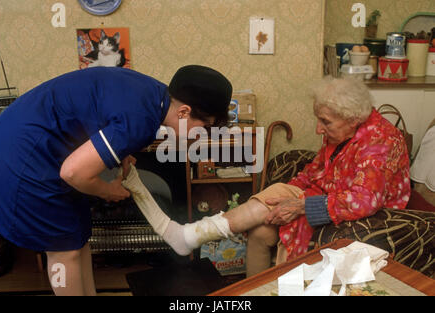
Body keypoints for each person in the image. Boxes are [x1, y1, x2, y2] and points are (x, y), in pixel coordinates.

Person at [125, 76, 410, 277]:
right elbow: (315, 172)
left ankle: (190, 235)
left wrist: (299, 205)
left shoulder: (380, 140)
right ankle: (256, 289)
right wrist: (284, 194)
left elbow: (364, 201)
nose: (318, 130)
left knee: (278, 206)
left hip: (368, 212)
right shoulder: (341, 132)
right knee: (261, 231)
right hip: (327, 196)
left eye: (325, 122)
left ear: (353, 118)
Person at [0, 65, 232, 295]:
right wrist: (107, 191)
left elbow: (103, 114)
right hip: (21, 161)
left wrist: (120, 150)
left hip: (28, 146)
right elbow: (73, 172)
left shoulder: (155, 94)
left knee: (78, 239)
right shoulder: (142, 119)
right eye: (205, 127)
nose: (203, 136)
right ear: (184, 111)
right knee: (65, 249)